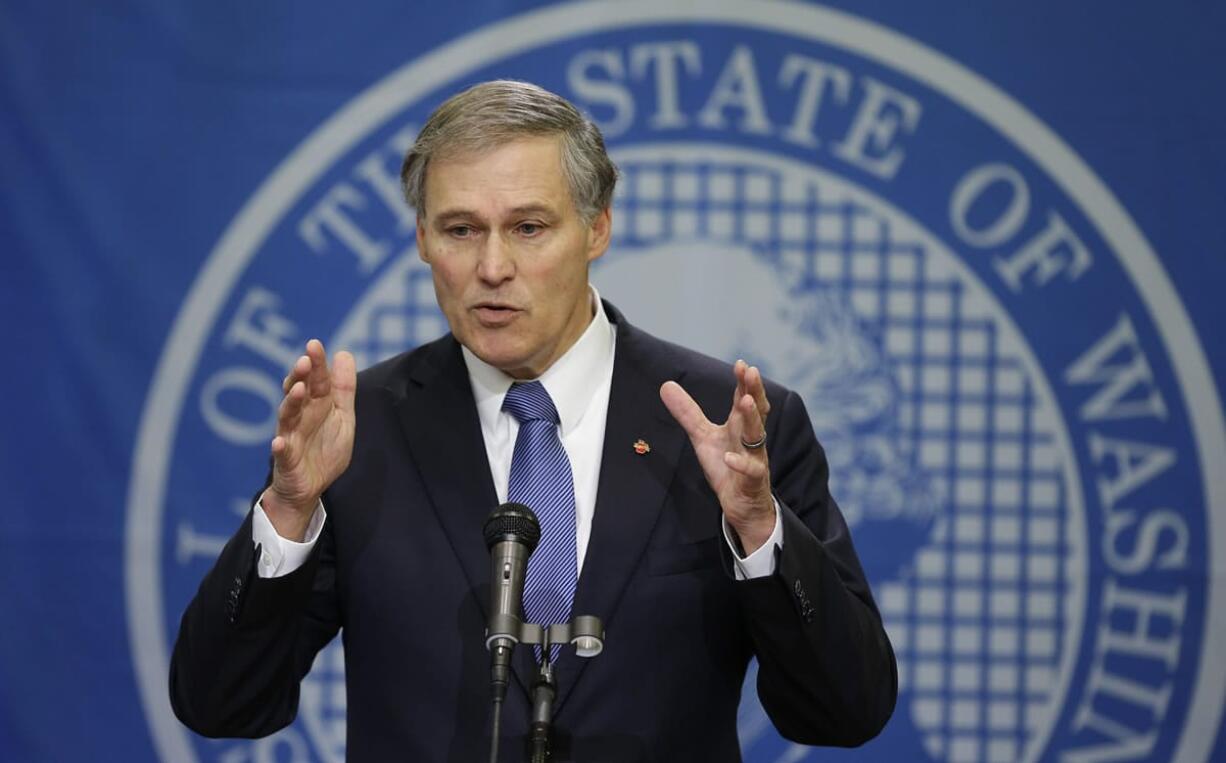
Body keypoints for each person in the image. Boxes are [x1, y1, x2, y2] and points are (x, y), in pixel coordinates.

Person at [170, 80, 896, 761]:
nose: (492, 266)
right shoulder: (360, 436)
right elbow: (222, 705)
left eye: (527, 227)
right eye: (460, 229)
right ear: (421, 239)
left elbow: (846, 710)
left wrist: (762, 534)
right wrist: (289, 513)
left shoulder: (723, 427)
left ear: (597, 227)